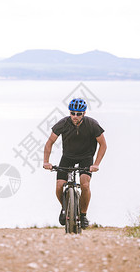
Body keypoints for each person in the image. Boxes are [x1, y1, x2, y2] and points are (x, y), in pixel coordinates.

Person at [43, 98, 107, 229]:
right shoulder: (63, 123)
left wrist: (96, 164)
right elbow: (49, 143)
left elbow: (103, 145)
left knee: (84, 184)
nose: (75, 116)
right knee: (59, 186)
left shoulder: (92, 124)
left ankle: (83, 215)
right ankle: (65, 208)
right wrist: (46, 162)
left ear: (84, 113)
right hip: (68, 157)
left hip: (86, 158)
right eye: (72, 113)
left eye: (78, 114)